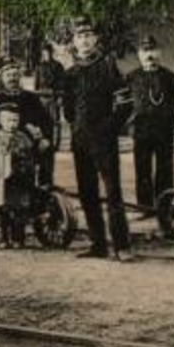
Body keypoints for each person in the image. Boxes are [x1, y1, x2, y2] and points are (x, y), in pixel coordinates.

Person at [59, 16, 135, 261]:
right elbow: (68, 109)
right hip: (80, 140)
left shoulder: (108, 66)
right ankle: (98, 244)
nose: (84, 40)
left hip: (105, 140)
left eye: (88, 36)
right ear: (73, 41)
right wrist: (79, 128)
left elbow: (125, 103)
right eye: (79, 36)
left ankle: (122, 246)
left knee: (113, 193)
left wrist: (109, 128)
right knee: (87, 193)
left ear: (95, 39)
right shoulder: (70, 74)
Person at [128, 35, 174, 214]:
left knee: (165, 168)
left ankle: (164, 206)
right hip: (141, 130)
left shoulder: (170, 78)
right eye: (145, 51)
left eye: (152, 51)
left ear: (159, 53)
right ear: (139, 55)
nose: (149, 55)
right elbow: (124, 105)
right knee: (142, 170)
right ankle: (145, 206)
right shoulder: (132, 78)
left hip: (164, 129)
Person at [0, 55, 55, 185]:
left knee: (46, 149)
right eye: (8, 75)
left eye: (15, 75)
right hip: (4, 140)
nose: (12, 78)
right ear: (2, 78)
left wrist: (45, 138)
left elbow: (45, 120)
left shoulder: (31, 97)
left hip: (30, 139)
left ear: (19, 77)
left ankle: (43, 188)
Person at [0, 100, 39, 248]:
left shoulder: (24, 139)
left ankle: (18, 238)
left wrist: (31, 174)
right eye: (8, 120)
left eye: (15, 120)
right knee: (4, 210)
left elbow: (31, 158)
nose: (12, 124)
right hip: (1, 180)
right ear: (1, 121)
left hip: (19, 180)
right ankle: (4, 238)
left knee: (19, 210)